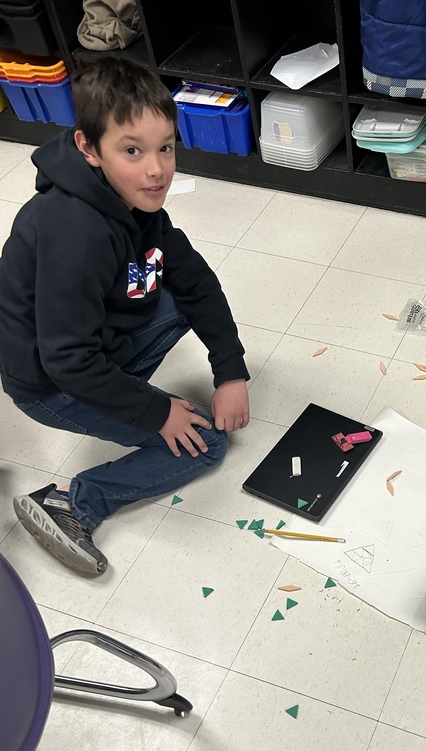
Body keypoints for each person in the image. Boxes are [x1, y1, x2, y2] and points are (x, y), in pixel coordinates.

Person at [0, 57, 250, 576]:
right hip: (51, 384)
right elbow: (68, 361)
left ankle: (126, 393)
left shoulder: (135, 200)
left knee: (181, 293)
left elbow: (196, 281)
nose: (157, 169)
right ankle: (74, 502)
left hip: (88, 346)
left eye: (165, 148)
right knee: (205, 444)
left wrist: (230, 370)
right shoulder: (76, 232)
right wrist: (156, 414)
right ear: (88, 147)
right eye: (132, 151)